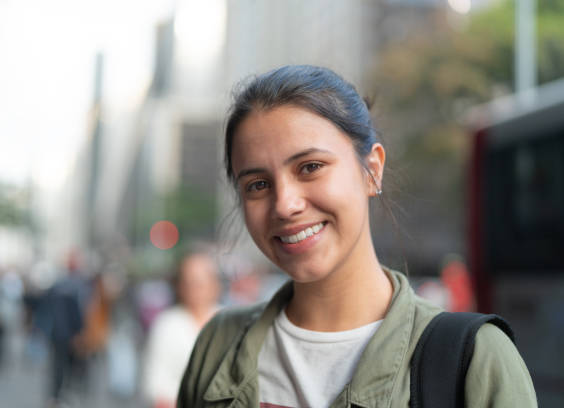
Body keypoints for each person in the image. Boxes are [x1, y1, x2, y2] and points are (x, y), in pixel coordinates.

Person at [178, 65, 537, 407]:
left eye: (310, 167)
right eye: (257, 185)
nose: (285, 205)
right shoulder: (218, 344)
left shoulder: (474, 359)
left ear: (372, 170)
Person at [143, 250, 221, 408]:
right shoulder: (167, 324)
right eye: (189, 282)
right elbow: (156, 385)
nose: (196, 288)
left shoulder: (231, 320)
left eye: (201, 282)